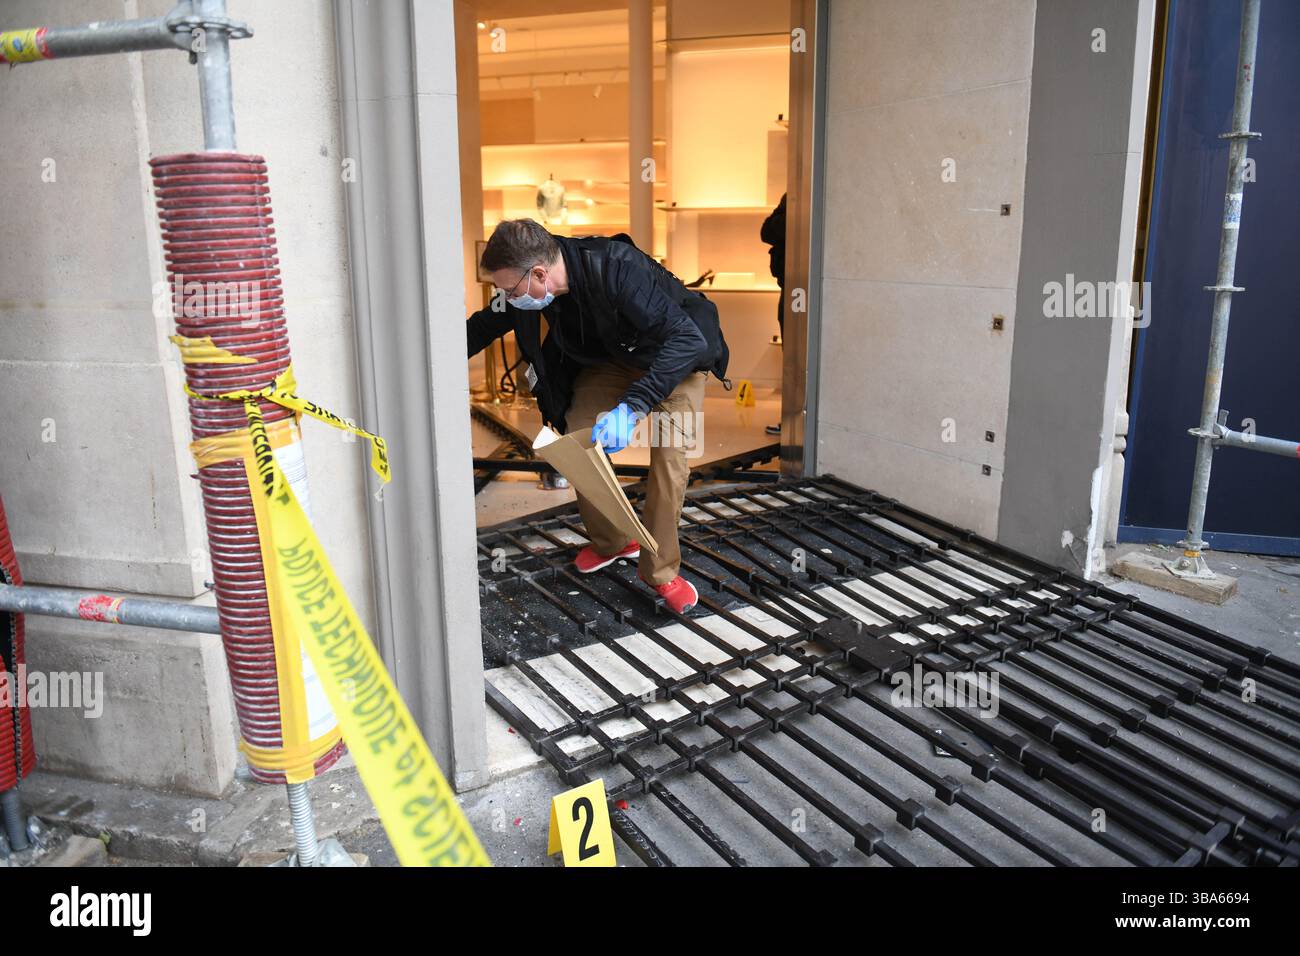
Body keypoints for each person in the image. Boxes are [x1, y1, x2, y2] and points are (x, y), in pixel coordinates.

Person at [466, 219, 730, 614]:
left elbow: (688, 339)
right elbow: (484, 326)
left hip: (679, 358)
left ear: (539, 273)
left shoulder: (617, 268)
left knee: (670, 459)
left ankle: (660, 571)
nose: (505, 296)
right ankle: (612, 541)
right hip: (614, 360)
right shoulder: (531, 287)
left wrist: (633, 406)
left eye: (508, 288)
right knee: (578, 442)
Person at [760, 193, 786, 436]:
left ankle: (795, 420)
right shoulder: (791, 199)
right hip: (789, 287)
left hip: (805, 288)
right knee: (791, 358)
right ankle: (790, 419)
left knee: (800, 359)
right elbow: (766, 231)